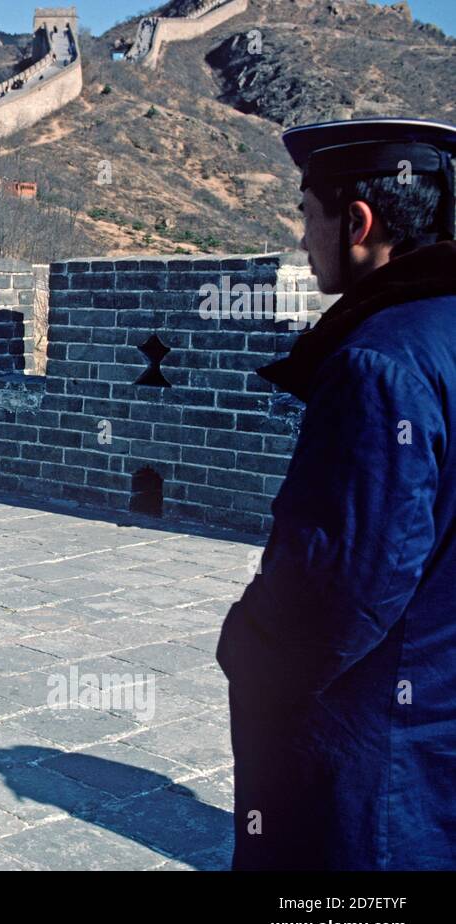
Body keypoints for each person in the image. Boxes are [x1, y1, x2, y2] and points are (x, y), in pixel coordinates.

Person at [217, 117, 456, 870]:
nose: (301, 240)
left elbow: (348, 585)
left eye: (305, 214)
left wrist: (250, 645)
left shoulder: (379, 362)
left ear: (356, 222)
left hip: (370, 741)